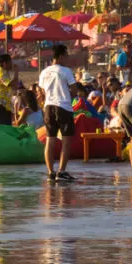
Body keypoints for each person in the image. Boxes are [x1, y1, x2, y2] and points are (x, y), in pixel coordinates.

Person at [39, 43, 78, 182]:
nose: (67, 59)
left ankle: (50, 172)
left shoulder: (44, 72)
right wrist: (67, 96)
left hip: (48, 107)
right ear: (61, 56)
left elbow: (42, 91)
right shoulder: (65, 71)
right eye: (66, 56)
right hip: (64, 107)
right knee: (66, 141)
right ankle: (61, 171)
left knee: (50, 140)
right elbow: (74, 90)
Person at [0, 54, 17, 125]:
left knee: (6, 131)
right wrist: (16, 72)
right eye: (10, 62)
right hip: (0, 106)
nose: (12, 64)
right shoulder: (1, 74)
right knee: (3, 131)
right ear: (5, 64)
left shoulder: (4, 73)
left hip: (4, 106)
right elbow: (13, 84)